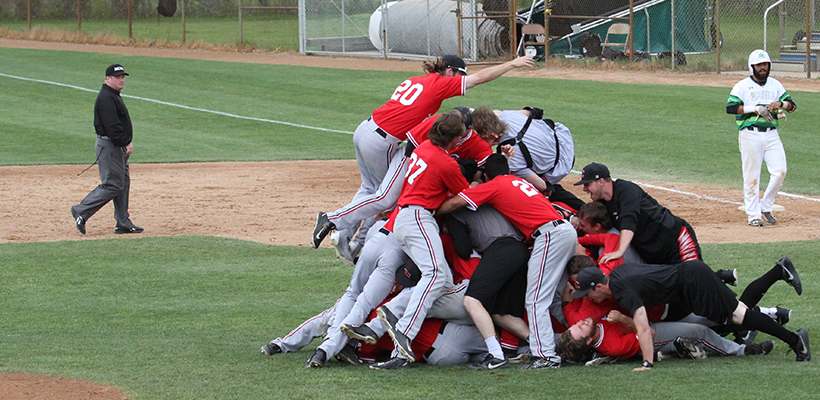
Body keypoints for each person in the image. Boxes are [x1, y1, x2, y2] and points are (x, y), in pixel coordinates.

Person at [312, 55, 534, 249]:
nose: (459, 81)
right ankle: (335, 220)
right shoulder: (440, 85)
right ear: (449, 72)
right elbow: (481, 78)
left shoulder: (418, 81)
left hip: (366, 129)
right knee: (386, 198)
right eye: (457, 75)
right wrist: (512, 64)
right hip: (384, 142)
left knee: (371, 189)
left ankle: (347, 237)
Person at [438, 154, 577, 369]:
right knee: (553, 298)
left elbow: (458, 201)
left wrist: (433, 212)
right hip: (562, 230)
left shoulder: (495, 184)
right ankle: (567, 347)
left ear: (486, 175)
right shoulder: (518, 181)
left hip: (549, 235)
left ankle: (547, 356)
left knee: (535, 300)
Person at [571, 256, 810, 370]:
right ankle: (779, 271)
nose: (589, 300)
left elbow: (644, 328)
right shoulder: (620, 275)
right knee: (735, 318)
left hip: (695, 282)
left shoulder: (623, 290)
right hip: (690, 284)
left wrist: (647, 363)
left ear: (599, 286)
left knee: (739, 316)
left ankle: (795, 340)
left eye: (588, 294)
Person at [374, 112, 471, 367]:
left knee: (443, 282)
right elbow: (466, 196)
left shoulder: (425, 147)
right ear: (452, 139)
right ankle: (404, 329)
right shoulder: (446, 163)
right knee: (437, 275)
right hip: (418, 218)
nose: (461, 141)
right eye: (459, 137)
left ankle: (395, 346)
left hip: (406, 219)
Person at [574, 162, 699, 265]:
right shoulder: (602, 202)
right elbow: (589, 214)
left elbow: (629, 220)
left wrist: (620, 251)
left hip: (675, 240)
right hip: (651, 253)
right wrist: (575, 217)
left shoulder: (627, 190)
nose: (585, 189)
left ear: (601, 181)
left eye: (587, 184)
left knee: (695, 278)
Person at [726, 49, 796, 227]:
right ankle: (753, 215)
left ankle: (766, 205)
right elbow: (731, 108)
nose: (763, 68)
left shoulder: (775, 85)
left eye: (765, 65)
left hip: (772, 135)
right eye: (759, 65)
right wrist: (754, 108)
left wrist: (781, 104)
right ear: (752, 67)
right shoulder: (742, 86)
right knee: (751, 176)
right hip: (750, 134)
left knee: (780, 171)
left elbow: (792, 106)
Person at [71, 64, 143, 235]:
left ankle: (123, 222)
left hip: (114, 145)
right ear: (108, 79)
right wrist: (126, 142)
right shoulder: (106, 98)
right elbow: (112, 126)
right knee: (113, 184)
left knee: (122, 183)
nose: (121, 80)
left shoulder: (112, 96)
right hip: (111, 145)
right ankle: (81, 210)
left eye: (123, 77)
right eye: (117, 77)